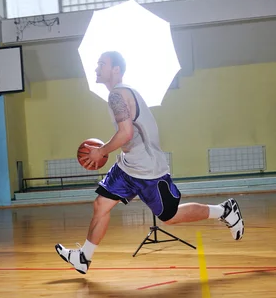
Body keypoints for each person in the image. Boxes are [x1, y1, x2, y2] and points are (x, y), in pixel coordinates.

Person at [55, 51, 244, 274]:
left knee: (169, 217)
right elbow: (128, 134)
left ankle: (224, 210)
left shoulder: (117, 95)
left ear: (116, 69)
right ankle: (84, 258)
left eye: (101, 63)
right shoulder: (120, 94)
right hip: (128, 166)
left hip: (148, 170)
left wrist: (101, 152)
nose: (96, 67)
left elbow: (125, 133)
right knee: (101, 205)